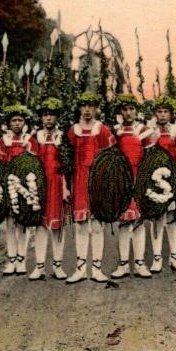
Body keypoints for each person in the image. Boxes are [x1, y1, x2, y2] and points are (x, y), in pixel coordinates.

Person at [65, 92, 116, 284]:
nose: (87, 109)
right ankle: (79, 269)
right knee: (80, 225)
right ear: (79, 108)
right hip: (79, 180)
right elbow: (66, 160)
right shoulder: (72, 131)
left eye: (91, 106)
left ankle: (96, 268)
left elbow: (110, 158)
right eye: (84, 105)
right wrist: (66, 186)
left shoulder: (102, 130)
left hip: (97, 180)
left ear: (96, 108)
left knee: (96, 225)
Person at [111, 94, 152, 279]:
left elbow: (151, 159)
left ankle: (140, 263)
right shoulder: (116, 131)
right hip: (122, 180)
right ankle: (123, 264)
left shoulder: (144, 130)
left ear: (136, 111)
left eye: (131, 109)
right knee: (123, 221)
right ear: (120, 112)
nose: (128, 112)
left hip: (139, 178)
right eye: (125, 109)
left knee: (139, 222)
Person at [0, 105, 39, 275]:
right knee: (10, 224)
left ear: (25, 122)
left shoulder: (30, 140)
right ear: (8, 123)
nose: (17, 123)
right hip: (8, 185)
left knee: (23, 224)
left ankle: (22, 259)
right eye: (14, 120)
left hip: (25, 187)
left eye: (20, 120)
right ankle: (11, 259)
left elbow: (34, 164)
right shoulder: (3, 141)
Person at [30, 98, 70, 281]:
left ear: (57, 117)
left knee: (57, 226)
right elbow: (28, 165)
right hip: (39, 184)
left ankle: (58, 266)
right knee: (40, 226)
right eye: (45, 115)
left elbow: (67, 166)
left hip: (57, 183)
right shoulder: (35, 137)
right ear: (41, 118)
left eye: (52, 115)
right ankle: (39, 266)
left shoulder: (63, 137)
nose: (48, 118)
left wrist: (66, 187)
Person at [144, 96, 176, 273]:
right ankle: (157, 258)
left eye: (165, 111)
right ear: (155, 114)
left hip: (173, 177)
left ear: (171, 114)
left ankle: (174, 257)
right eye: (159, 111)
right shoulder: (149, 131)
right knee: (157, 218)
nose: (162, 115)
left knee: (173, 218)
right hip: (155, 178)